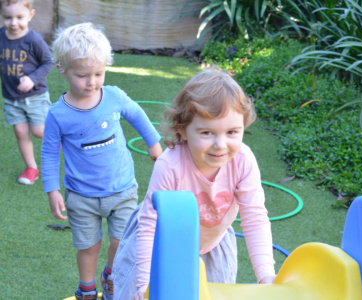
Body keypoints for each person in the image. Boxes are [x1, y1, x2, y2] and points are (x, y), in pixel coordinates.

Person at [113, 68, 277, 299]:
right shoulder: (170, 165)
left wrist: (266, 275)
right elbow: (149, 224)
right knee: (138, 294)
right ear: (183, 130)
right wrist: (145, 281)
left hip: (213, 244)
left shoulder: (243, 161)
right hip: (158, 241)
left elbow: (255, 217)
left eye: (232, 132)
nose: (221, 144)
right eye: (207, 132)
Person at [41, 22, 163, 300]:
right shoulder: (58, 114)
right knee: (88, 246)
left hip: (122, 189)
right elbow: (49, 152)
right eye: (83, 75)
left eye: (98, 73)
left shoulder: (114, 97)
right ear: (62, 69)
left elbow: (137, 114)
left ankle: (110, 273)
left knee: (122, 242)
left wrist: (154, 144)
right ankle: (86, 288)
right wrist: (52, 190)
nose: (92, 82)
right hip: (81, 195)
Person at [0, 0, 53, 184]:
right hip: (11, 98)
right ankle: (31, 168)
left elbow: (48, 62)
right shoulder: (1, 36)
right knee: (20, 132)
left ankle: (62, 135)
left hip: (35, 97)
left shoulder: (34, 40)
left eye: (19, 17)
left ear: (31, 15)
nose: (13, 23)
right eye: (7, 17)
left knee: (39, 132)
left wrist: (32, 79)